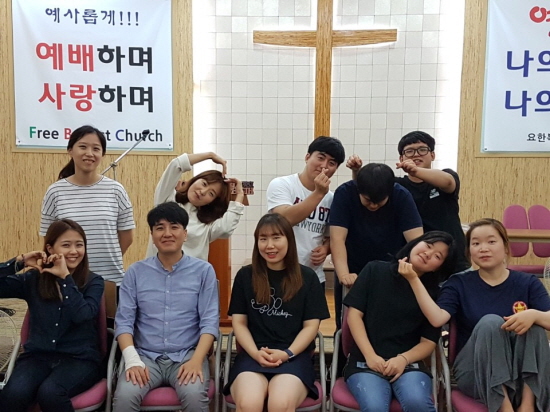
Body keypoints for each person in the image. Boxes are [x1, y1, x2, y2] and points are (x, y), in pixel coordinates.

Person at [401, 218, 550, 412]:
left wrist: (534, 315)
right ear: (469, 251)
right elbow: (437, 319)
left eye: (491, 241)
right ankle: (504, 407)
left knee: (535, 325)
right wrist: (413, 279)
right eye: (476, 243)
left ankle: (527, 406)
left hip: (519, 372)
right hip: (475, 372)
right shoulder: (458, 284)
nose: (483, 248)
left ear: (506, 247)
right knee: (490, 322)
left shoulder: (527, 282)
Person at [113, 202, 219, 412]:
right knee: (124, 396)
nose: (167, 233)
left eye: (174, 227)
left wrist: (197, 360)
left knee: (194, 396)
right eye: (160, 228)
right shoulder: (135, 273)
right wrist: (132, 360)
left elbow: (209, 322)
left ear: (185, 234)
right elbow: (123, 322)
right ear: (152, 235)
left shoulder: (203, 271)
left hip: (187, 355)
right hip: (145, 357)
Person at [223, 213, 330, 411]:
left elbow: (311, 327)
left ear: (289, 240)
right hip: (253, 355)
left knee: (280, 403)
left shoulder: (308, 277)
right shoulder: (245, 276)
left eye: (276, 237)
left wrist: (287, 353)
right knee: (248, 403)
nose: (269, 245)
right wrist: (255, 353)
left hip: (294, 356)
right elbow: (239, 323)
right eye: (263, 239)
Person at [343, 231, 457, 412]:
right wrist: (370, 356)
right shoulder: (374, 270)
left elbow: (428, 343)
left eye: (437, 256)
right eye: (428, 245)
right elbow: (354, 316)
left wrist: (403, 359)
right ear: (415, 243)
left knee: (417, 402)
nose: (428, 253)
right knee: (374, 406)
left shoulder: (434, 294)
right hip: (365, 362)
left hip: (409, 365)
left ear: (439, 267)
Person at [0, 219, 105, 412]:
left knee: (50, 393)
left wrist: (65, 279)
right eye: (66, 245)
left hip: (79, 359)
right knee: (13, 394)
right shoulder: (34, 279)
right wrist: (19, 262)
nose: (74, 251)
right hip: (37, 357)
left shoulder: (94, 282)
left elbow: (82, 315)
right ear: (50, 248)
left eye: (79, 245)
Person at [347, 131, 470, 272]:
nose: (416, 155)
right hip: (417, 262)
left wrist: (416, 171)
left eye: (422, 150)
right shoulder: (397, 187)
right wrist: (356, 171)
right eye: (409, 151)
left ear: (433, 155)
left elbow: (448, 182)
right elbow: (370, 189)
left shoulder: (445, 176)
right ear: (401, 158)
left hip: (454, 260)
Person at [330, 163, 423, 328]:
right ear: (358, 190)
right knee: (347, 323)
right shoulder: (344, 193)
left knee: (387, 323)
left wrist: (413, 272)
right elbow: (337, 239)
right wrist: (344, 274)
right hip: (353, 267)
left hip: (392, 269)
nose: (373, 206)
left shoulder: (402, 196)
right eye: (367, 200)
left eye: (379, 201)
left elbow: (416, 241)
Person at [41, 125, 135, 285]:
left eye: (96, 149)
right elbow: (49, 238)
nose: (89, 153)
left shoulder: (116, 190)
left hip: (110, 280)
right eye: (83, 147)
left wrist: (107, 259)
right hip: (68, 280)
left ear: (102, 154)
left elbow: (127, 236)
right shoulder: (55, 191)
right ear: (70, 150)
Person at [266, 136, 345, 287]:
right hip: (280, 272)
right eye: (320, 158)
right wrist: (318, 193)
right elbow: (283, 220)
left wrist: (326, 248)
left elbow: (333, 236)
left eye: (332, 163)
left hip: (314, 276)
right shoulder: (282, 184)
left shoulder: (331, 198)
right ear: (307, 157)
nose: (324, 166)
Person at [146, 151, 244, 259]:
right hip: (156, 269)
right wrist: (210, 155)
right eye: (204, 184)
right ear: (196, 179)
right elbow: (176, 165)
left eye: (211, 194)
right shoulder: (167, 199)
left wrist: (240, 194)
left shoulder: (207, 225)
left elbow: (226, 229)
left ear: (212, 201)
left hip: (192, 270)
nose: (203, 192)